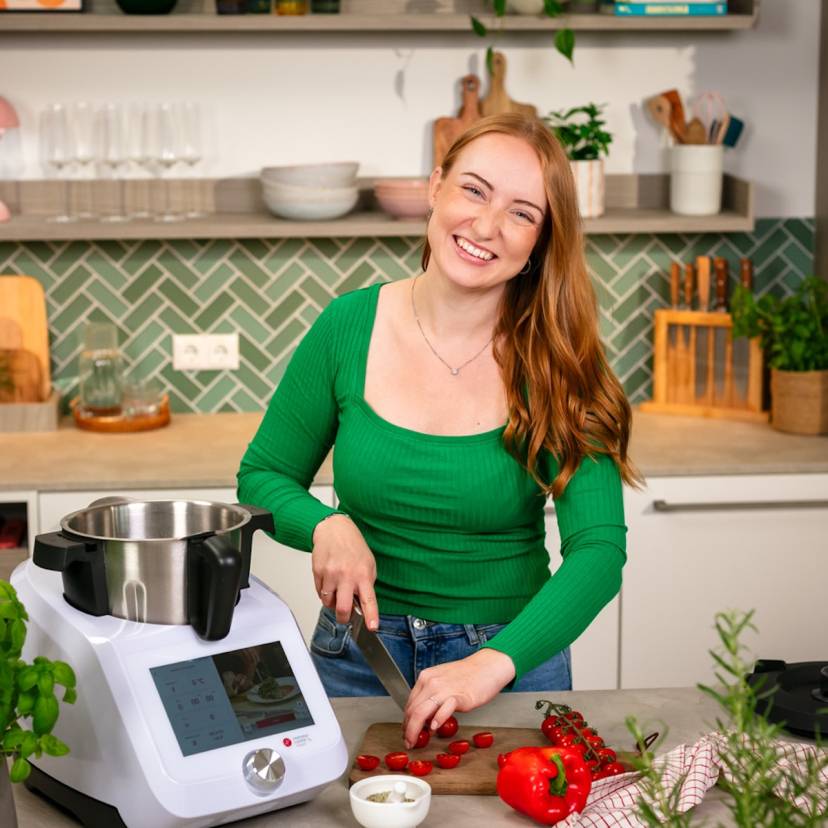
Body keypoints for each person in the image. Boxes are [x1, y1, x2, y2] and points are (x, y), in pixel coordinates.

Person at [237, 112, 641, 750]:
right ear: (436, 188)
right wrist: (325, 524)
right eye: (474, 190)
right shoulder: (348, 326)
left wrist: (494, 662)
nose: (485, 227)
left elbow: (599, 552)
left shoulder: (562, 363)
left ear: (541, 240)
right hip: (359, 655)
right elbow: (262, 476)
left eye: (521, 213)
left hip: (513, 659)